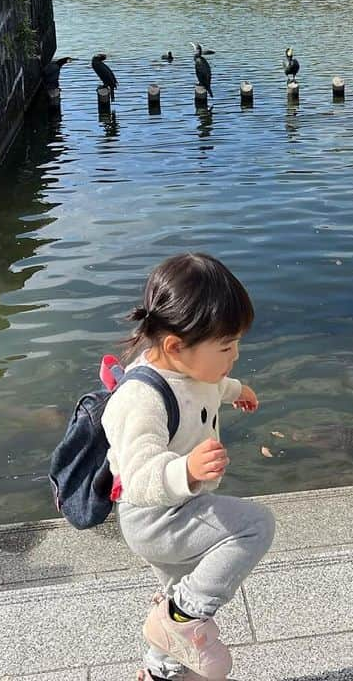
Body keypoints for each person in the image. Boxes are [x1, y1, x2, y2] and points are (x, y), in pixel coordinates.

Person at [102, 253, 274, 680]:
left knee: (175, 590)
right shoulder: (140, 399)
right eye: (226, 348)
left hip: (180, 507)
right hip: (155, 516)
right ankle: (183, 619)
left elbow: (208, 383)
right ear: (176, 346)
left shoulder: (194, 367)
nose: (234, 356)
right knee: (254, 526)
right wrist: (187, 471)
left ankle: (160, 669)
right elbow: (139, 478)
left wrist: (236, 390)